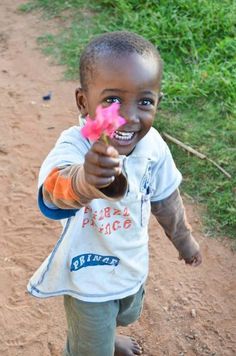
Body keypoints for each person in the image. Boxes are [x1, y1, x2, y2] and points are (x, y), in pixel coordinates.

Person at [28, 31, 202, 356]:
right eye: (112, 100)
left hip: (130, 265)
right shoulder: (76, 146)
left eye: (145, 101)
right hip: (87, 278)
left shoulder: (153, 147)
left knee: (127, 312)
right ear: (83, 102)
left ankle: (107, 338)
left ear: (157, 103)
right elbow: (53, 194)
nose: (130, 115)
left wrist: (185, 240)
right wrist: (84, 180)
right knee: (89, 346)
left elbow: (166, 199)